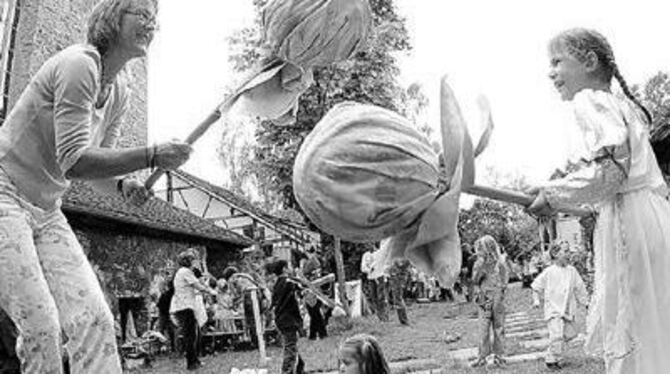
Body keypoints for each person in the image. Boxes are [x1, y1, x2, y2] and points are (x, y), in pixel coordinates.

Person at [0, 0, 193, 372]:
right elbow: (75, 159)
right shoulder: (79, 64)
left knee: (95, 321)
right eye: (142, 13)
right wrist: (152, 154)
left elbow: (97, 165)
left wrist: (123, 187)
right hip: (4, 192)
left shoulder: (121, 89)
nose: (151, 24)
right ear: (111, 17)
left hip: (47, 209)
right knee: (42, 327)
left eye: (156, 18)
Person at [528, 28, 670, 374]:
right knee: (657, 322)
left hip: (630, 224)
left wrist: (554, 192)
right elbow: (611, 185)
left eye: (557, 61)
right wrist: (558, 198)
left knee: (633, 321)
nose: (551, 71)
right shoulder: (621, 105)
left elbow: (611, 172)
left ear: (589, 62)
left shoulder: (589, 100)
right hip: (651, 217)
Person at [532, 244, 589, 369]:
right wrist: (536, 301)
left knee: (569, 334)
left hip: (567, 309)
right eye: (566, 251)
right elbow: (536, 287)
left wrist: (585, 302)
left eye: (569, 251)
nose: (569, 254)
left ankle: (554, 355)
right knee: (556, 335)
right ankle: (551, 360)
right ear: (555, 254)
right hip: (553, 309)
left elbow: (580, 288)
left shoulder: (572, 271)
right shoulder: (549, 272)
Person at [170, 250, 217, 371]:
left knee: (193, 334)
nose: (195, 262)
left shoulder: (184, 272)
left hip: (186, 306)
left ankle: (195, 360)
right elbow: (197, 285)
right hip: (184, 307)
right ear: (189, 261)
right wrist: (211, 291)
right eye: (193, 259)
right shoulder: (185, 272)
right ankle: (191, 363)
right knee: (190, 336)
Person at [470, 235, 508, 367]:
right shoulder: (479, 263)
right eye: (478, 249)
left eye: (481, 249)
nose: (478, 252)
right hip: (483, 297)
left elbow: (504, 281)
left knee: (499, 327)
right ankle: (482, 356)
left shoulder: (500, 262)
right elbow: (475, 280)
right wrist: (481, 267)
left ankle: (499, 356)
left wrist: (501, 291)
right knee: (483, 328)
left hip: (497, 297)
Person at [267, 259, 305, 374]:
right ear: (284, 269)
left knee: (291, 344)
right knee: (290, 346)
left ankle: (300, 368)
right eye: (288, 266)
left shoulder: (277, 284)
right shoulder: (288, 282)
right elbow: (300, 286)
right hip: (288, 319)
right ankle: (286, 371)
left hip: (281, 319)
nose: (290, 268)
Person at [387, 258, 410, 325]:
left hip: (399, 277)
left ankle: (404, 320)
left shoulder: (403, 255)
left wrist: (394, 263)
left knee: (398, 298)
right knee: (397, 299)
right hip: (396, 277)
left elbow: (402, 264)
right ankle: (402, 320)